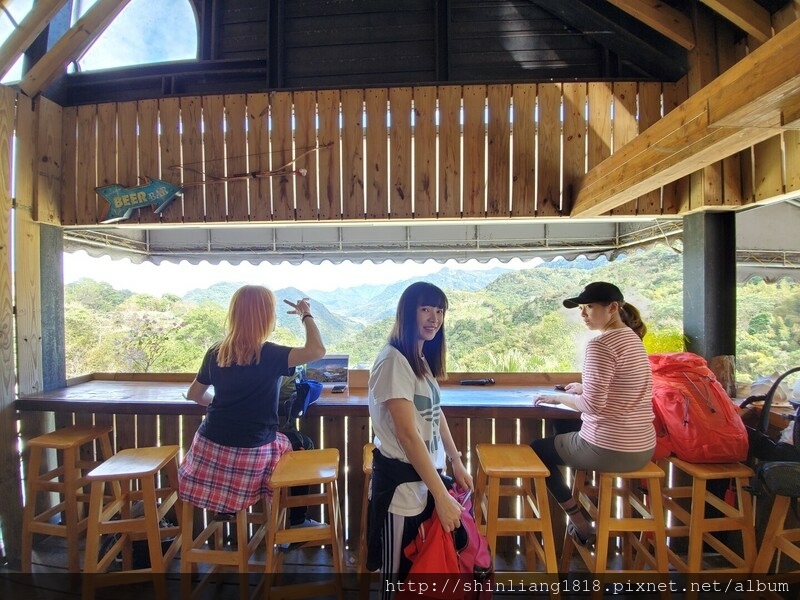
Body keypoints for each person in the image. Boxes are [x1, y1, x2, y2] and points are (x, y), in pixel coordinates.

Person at [179, 285, 325, 526]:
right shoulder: (270, 354)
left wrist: (225, 405)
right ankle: (297, 522)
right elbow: (317, 350)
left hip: (208, 453)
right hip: (251, 455)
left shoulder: (216, 352)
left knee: (243, 451)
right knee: (304, 444)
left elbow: (194, 394)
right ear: (266, 317)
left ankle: (226, 502)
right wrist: (305, 314)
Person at [366, 282, 473, 594]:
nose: (434, 318)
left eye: (440, 311)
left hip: (426, 482)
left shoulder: (419, 358)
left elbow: (434, 413)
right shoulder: (393, 360)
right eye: (426, 309)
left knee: (420, 576)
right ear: (407, 312)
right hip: (401, 490)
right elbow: (407, 436)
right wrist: (442, 496)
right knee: (396, 580)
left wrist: (456, 462)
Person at [530, 281, 654, 547]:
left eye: (589, 307)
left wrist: (558, 397)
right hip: (643, 449)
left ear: (612, 308)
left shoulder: (601, 345)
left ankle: (581, 523)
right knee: (562, 434)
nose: (583, 314)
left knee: (536, 451)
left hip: (612, 449)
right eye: (582, 308)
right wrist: (583, 388)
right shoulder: (633, 339)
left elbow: (593, 405)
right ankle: (588, 510)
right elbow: (623, 387)